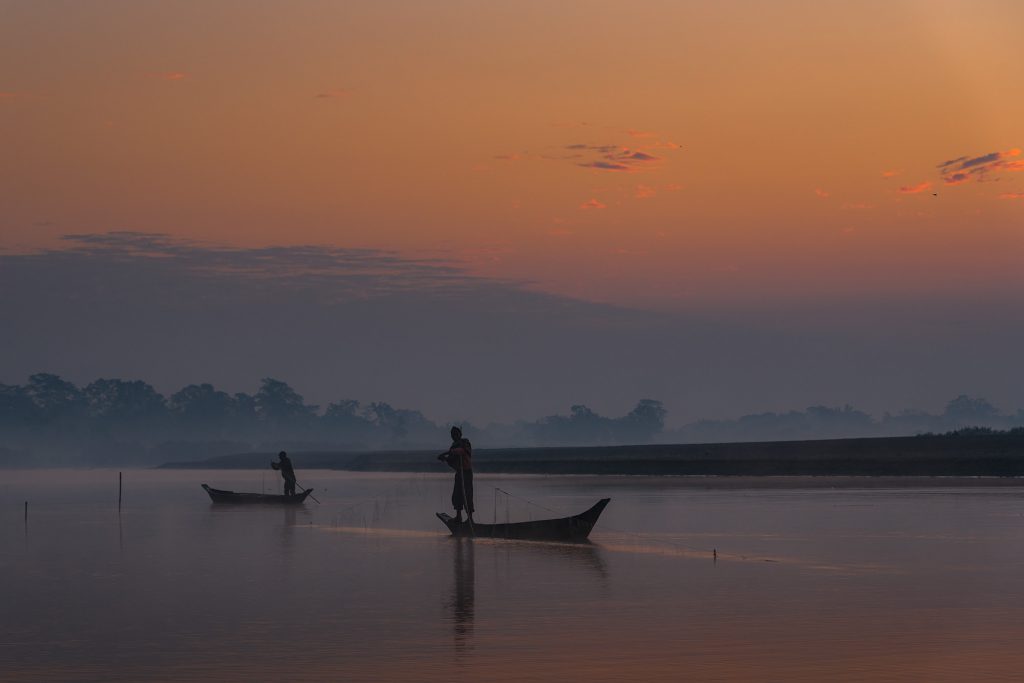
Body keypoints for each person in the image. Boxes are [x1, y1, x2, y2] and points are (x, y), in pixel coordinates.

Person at [438, 426, 473, 523]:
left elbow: (461, 451)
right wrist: (444, 458)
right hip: (459, 472)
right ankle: (458, 517)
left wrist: (445, 453)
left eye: (456, 434)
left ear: (460, 434)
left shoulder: (465, 443)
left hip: (466, 473)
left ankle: (470, 519)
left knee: (467, 495)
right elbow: (451, 459)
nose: (454, 436)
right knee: (457, 495)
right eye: (452, 435)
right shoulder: (453, 445)